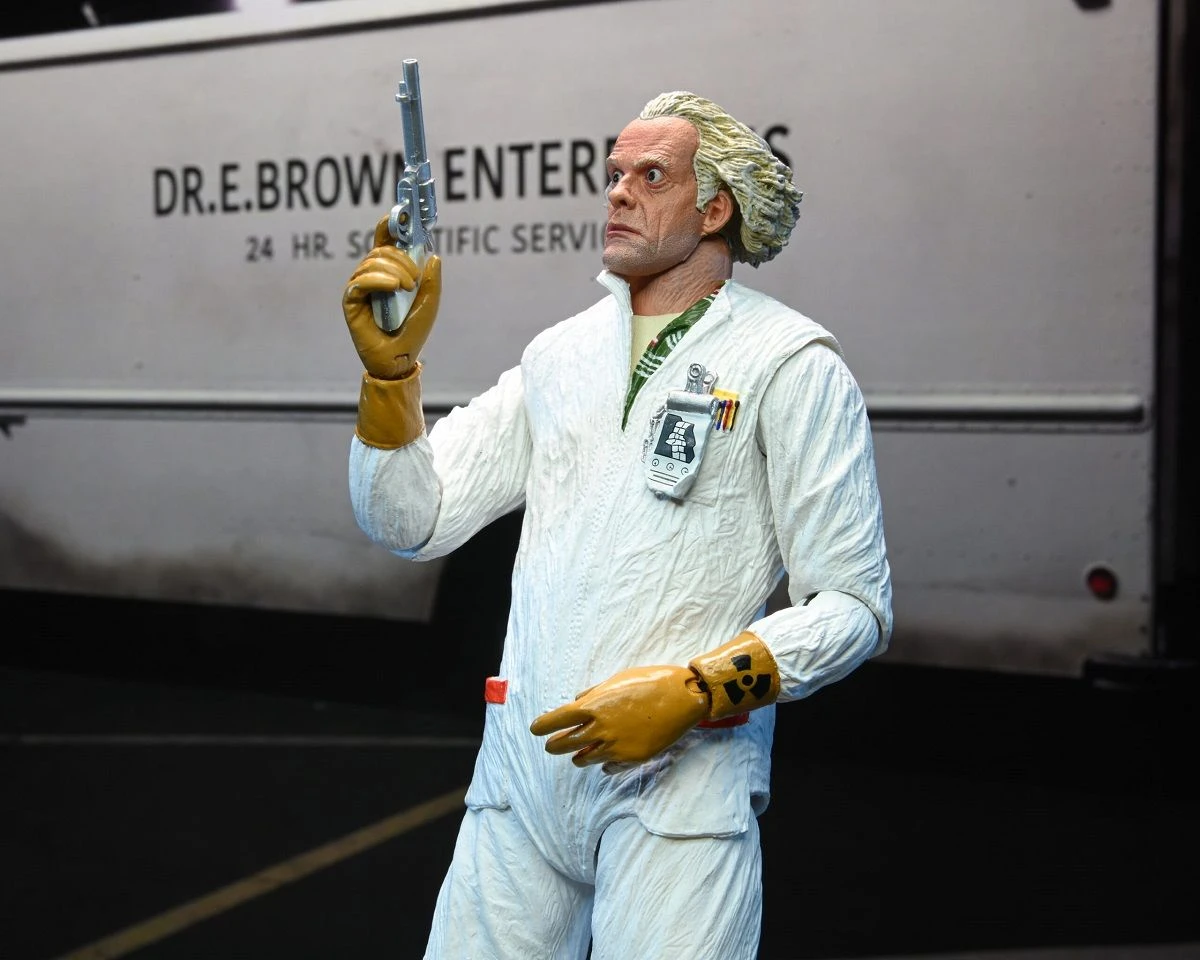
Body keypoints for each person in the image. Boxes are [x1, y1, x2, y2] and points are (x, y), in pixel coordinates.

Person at [341, 90, 892, 960]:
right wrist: (389, 379)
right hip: (524, 777)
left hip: (683, 788)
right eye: (613, 174)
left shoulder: (791, 363)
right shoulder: (559, 355)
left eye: (651, 175)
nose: (619, 192)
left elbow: (854, 606)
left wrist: (695, 691)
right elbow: (415, 519)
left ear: (717, 209)